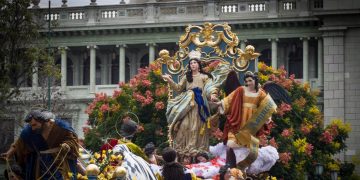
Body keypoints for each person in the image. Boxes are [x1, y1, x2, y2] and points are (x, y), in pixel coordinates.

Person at [211, 71, 278, 173]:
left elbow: (267, 106)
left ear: (255, 80)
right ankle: (237, 149)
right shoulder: (241, 90)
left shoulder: (260, 93)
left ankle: (244, 152)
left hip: (253, 119)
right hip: (239, 116)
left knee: (248, 143)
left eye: (250, 80)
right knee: (232, 142)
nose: (248, 83)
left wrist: (268, 117)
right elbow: (229, 99)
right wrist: (219, 103)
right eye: (246, 81)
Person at [162, 50, 218, 160]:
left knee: (196, 128)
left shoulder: (204, 77)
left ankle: (198, 153)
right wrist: (169, 80)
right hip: (187, 105)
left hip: (199, 106)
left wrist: (212, 95)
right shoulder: (187, 77)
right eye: (191, 63)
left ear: (199, 64)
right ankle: (183, 152)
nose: (192, 65)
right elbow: (178, 88)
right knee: (184, 126)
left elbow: (209, 88)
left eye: (195, 63)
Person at [0, 110, 79, 180]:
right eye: (31, 125)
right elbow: (19, 143)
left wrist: (67, 145)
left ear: (45, 122)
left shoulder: (61, 127)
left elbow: (72, 140)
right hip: (41, 163)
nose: (33, 128)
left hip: (59, 161)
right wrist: (9, 153)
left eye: (35, 125)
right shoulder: (29, 131)